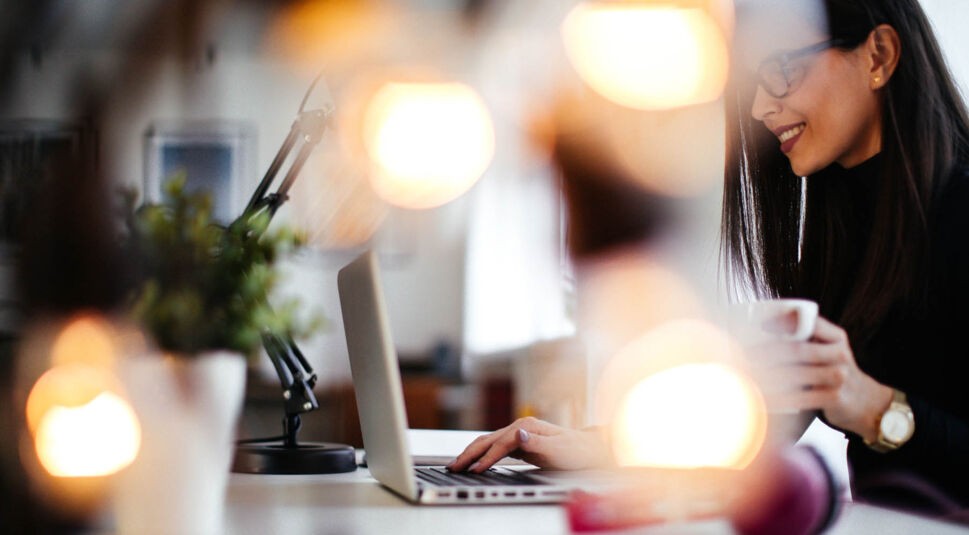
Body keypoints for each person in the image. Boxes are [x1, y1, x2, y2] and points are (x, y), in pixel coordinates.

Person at [448, 0, 969, 514]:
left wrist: (876, 409)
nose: (761, 107)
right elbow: (772, 417)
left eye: (782, 70)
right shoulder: (846, 225)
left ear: (878, 55)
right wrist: (600, 444)